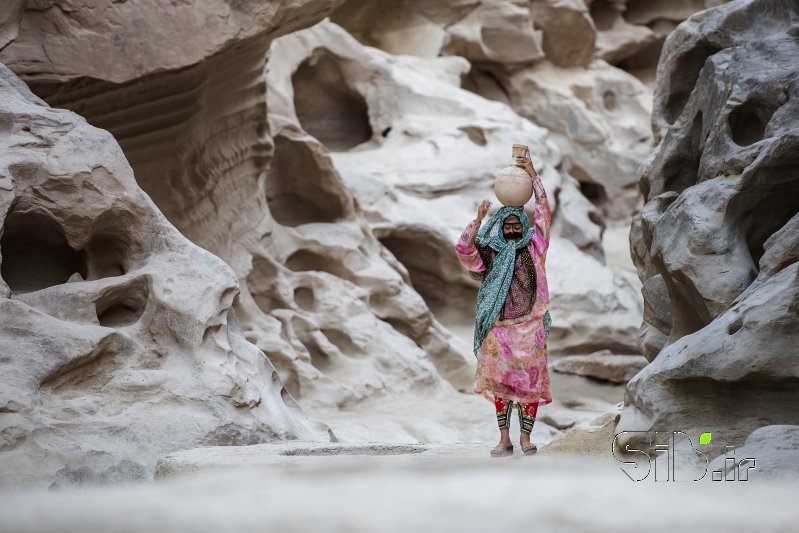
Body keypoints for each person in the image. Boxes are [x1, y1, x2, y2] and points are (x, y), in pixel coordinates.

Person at [454, 150, 552, 457]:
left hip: (530, 327)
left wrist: (533, 174)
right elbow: (464, 250)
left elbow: (544, 211)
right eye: (506, 226)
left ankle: (526, 439)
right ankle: (504, 439)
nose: (511, 230)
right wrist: (478, 221)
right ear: (500, 227)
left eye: (516, 225)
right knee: (501, 386)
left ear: (523, 226)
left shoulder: (535, 246)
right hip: (499, 328)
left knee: (530, 387)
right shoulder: (491, 252)